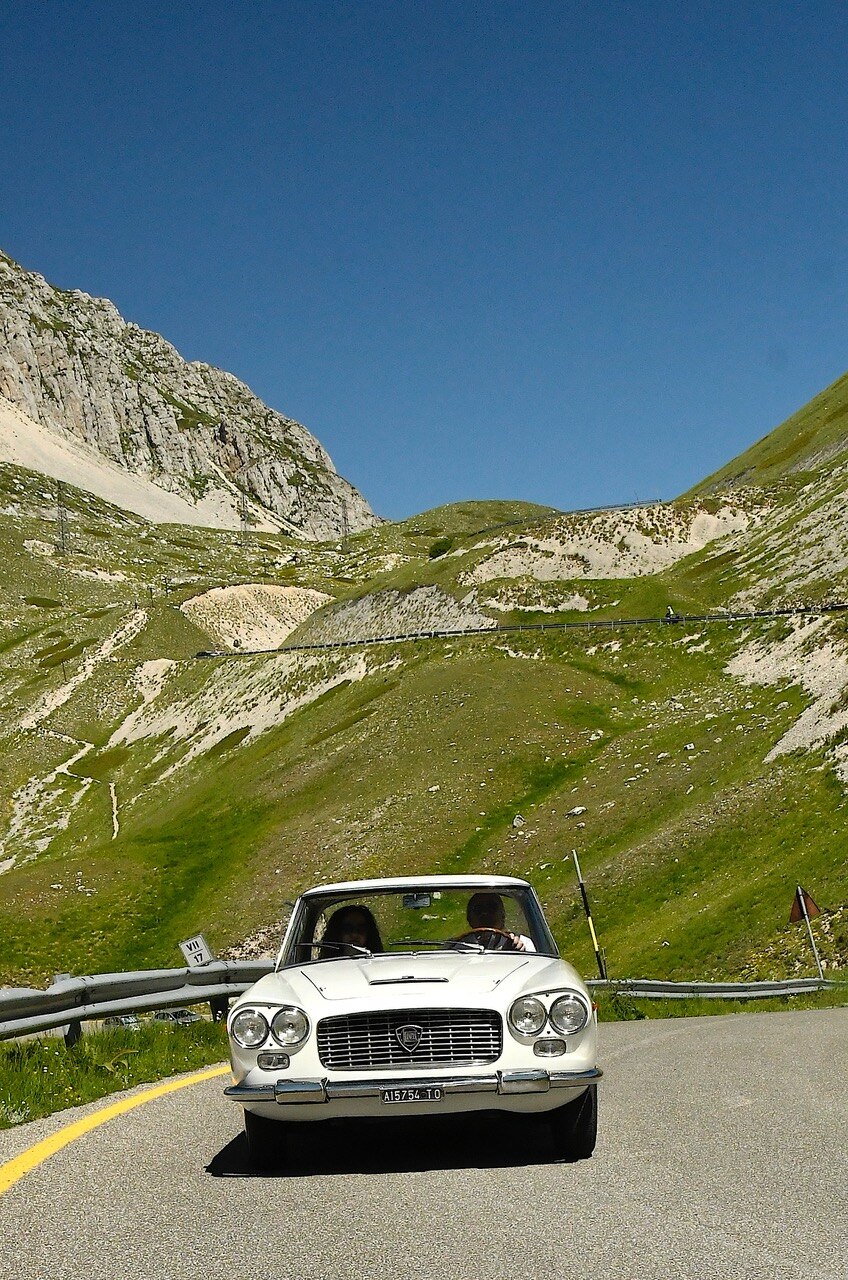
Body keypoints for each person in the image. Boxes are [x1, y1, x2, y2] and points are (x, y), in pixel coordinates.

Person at [453, 892, 535, 952]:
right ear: (469, 918)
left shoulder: (524, 943)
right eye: (478, 909)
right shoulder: (454, 947)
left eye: (492, 907)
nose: (485, 913)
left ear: (502, 915)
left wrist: (518, 953)